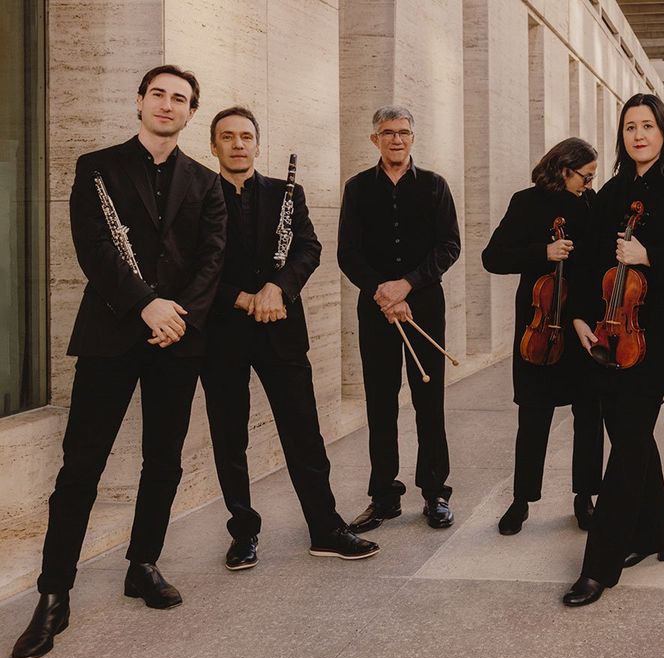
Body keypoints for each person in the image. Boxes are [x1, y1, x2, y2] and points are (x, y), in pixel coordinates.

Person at [12, 65, 226, 658]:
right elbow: (94, 248)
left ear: (191, 113)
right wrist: (145, 304)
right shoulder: (96, 167)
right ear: (140, 101)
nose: (167, 104)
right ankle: (54, 593)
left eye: (179, 98)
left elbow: (212, 259)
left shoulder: (206, 183)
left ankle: (143, 564)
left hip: (177, 339)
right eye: (158, 94)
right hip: (111, 332)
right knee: (81, 464)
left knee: (164, 460)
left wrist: (176, 316)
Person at [202, 106, 379, 570]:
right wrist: (242, 298)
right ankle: (243, 532)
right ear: (213, 145)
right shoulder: (197, 195)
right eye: (227, 137)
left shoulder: (287, 192)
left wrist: (277, 288)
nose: (238, 144)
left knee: (303, 431)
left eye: (246, 136)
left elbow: (308, 247)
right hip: (222, 332)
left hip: (281, 325)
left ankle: (325, 527)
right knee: (229, 435)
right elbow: (190, 266)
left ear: (258, 145)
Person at [562, 93, 664, 606]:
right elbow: (588, 262)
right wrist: (579, 315)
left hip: (659, 340)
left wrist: (650, 255)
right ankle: (657, 534)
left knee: (628, 446)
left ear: (663, 132)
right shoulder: (611, 192)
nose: (638, 135)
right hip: (609, 335)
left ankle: (599, 566)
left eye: (647, 125)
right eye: (630, 127)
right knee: (631, 438)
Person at [338, 106, 461, 532]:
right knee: (380, 402)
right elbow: (348, 253)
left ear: (413, 138)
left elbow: (449, 246)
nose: (396, 139)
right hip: (377, 309)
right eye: (388, 133)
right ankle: (384, 496)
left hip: (424, 305)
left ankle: (435, 492)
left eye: (403, 132)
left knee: (429, 401)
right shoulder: (357, 188)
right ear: (374, 139)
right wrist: (383, 293)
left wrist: (406, 285)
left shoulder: (434, 186)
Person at [481, 137, 606, 535]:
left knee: (589, 414)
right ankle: (521, 500)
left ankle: (585, 496)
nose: (589, 184)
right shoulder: (526, 202)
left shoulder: (592, 205)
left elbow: (598, 263)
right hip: (539, 327)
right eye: (585, 176)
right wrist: (542, 252)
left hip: (582, 323)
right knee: (534, 414)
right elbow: (493, 257)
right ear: (564, 169)